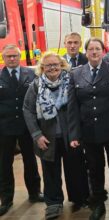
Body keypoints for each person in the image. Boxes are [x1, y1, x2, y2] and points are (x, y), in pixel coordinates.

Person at [23, 52, 89, 219]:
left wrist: (79, 133)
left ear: (62, 65)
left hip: (71, 136)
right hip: (47, 139)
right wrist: (37, 135)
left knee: (76, 168)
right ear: (42, 68)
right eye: (48, 65)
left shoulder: (71, 82)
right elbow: (28, 110)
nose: (52, 68)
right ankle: (53, 204)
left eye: (55, 64)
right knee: (50, 172)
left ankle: (79, 198)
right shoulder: (36, 85)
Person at [68, 38, 109, 220]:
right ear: (86, 52)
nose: (94, 52)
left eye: (97, 49)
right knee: (95, 169)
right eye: (91, 49)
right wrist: (74, 133)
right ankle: (99, 203)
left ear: (103, 51)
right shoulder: (76, 73)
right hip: (89, 131)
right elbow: (73, 106)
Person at [0, 44, 43, 216]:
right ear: (3, 58)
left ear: (20, 57)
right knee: (4, 164)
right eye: (8, 56)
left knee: (30, 160)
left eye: (14, 56)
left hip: (27, 126)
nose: (12, 59)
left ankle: (34, 193)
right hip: (4, 128)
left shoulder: (31, 74)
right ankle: (6, 199)